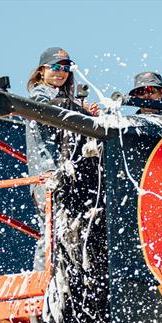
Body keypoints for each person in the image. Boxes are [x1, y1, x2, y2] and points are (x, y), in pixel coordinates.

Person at [25, 47, 99, 270]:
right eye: (55, 67)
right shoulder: (40, 93)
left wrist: (87, 113)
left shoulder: (66, 98)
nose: (61, 72)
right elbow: (48, 107)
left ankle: (64, 277)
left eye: (65, 68)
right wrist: (78, 108)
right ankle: (42, 279)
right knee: (51, 228)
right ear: (41, 71)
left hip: (65, 173)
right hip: (46, 174)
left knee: (69, 229)